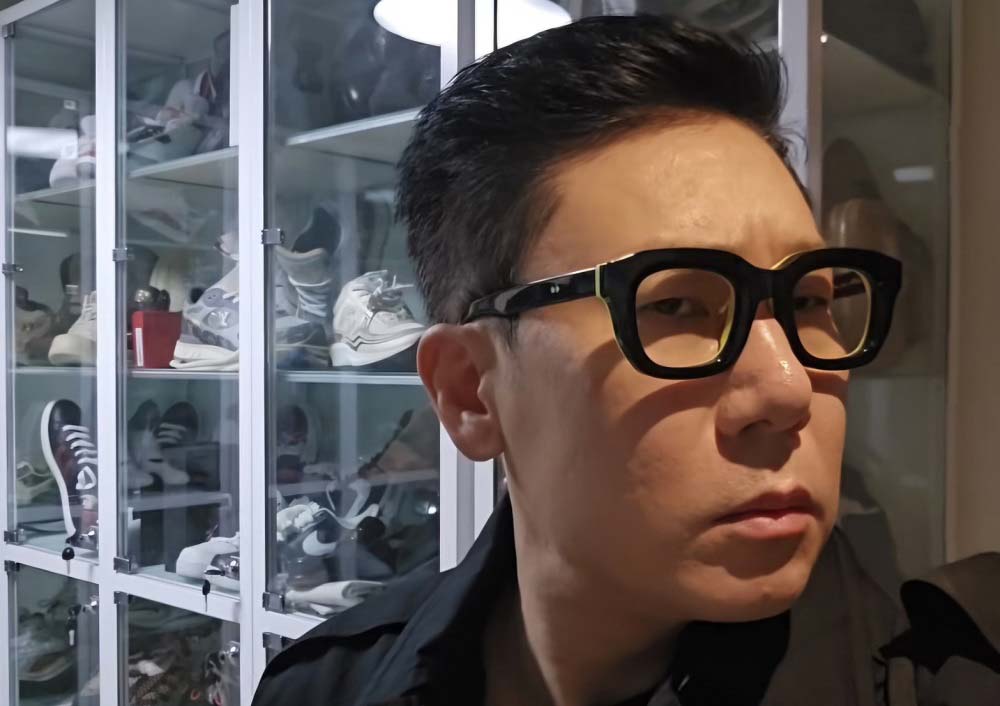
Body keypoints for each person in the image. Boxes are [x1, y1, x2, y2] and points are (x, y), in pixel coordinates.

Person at [253, 15, 1000, 706]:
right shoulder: (324, 688)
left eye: (808, 300)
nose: (788, 387)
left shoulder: (945, 681)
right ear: (471, 392)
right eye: (676, 306)